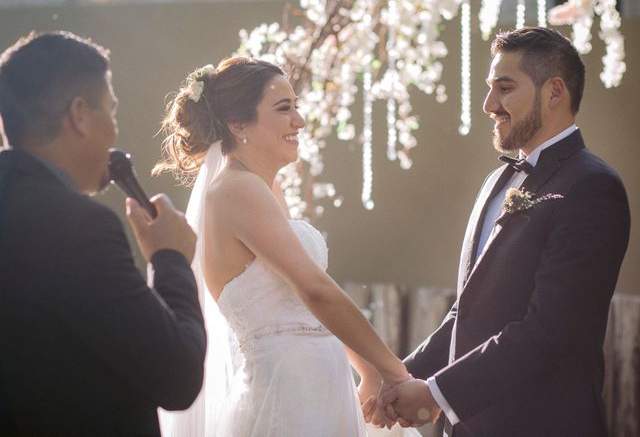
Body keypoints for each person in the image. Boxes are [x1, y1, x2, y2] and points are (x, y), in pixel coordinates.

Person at [379, 26, 631, 437]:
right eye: (489, 87)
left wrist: (437, 394)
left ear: (554, 92)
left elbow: (550, 329)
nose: (488, 104)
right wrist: (398, 377)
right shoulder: (494, 183)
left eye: (505, 88)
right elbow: (469, 312)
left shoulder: (592, 186)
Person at [154, 56, 422, 437]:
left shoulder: (265, 189)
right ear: (238, 125)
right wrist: (395, 372)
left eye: (296, 107)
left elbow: (306, 305)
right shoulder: (235, 189)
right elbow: (314, 289)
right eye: (284, 109)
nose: (299, 120)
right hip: (285, 394)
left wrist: (367, 371)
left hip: (318, 382)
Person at [0, 31, 206, 436]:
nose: (114, 131)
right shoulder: (78, 226)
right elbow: (178, 376)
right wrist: (170, 259)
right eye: (111, 111)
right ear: (80, 114)